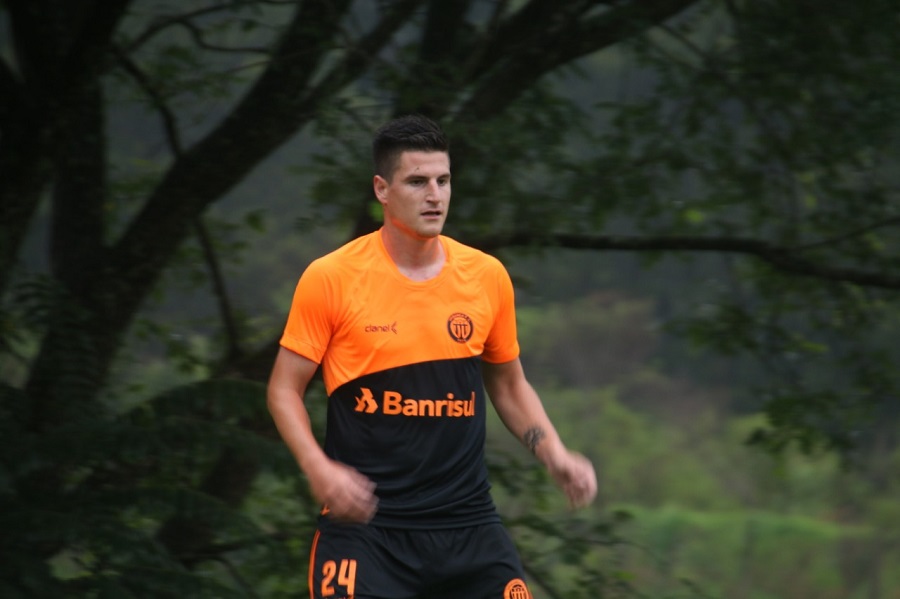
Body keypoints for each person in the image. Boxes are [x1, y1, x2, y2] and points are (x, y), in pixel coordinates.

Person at [267, 114, 597, 599]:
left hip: (469, 530)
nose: (435, 195)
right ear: (382, 189)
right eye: (418, 182)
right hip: (368, 531)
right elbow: (283, 389)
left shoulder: (486, 277)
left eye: (443, 181)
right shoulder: (331, 278)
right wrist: (317, 467)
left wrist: (555, 454)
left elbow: (508, 384)